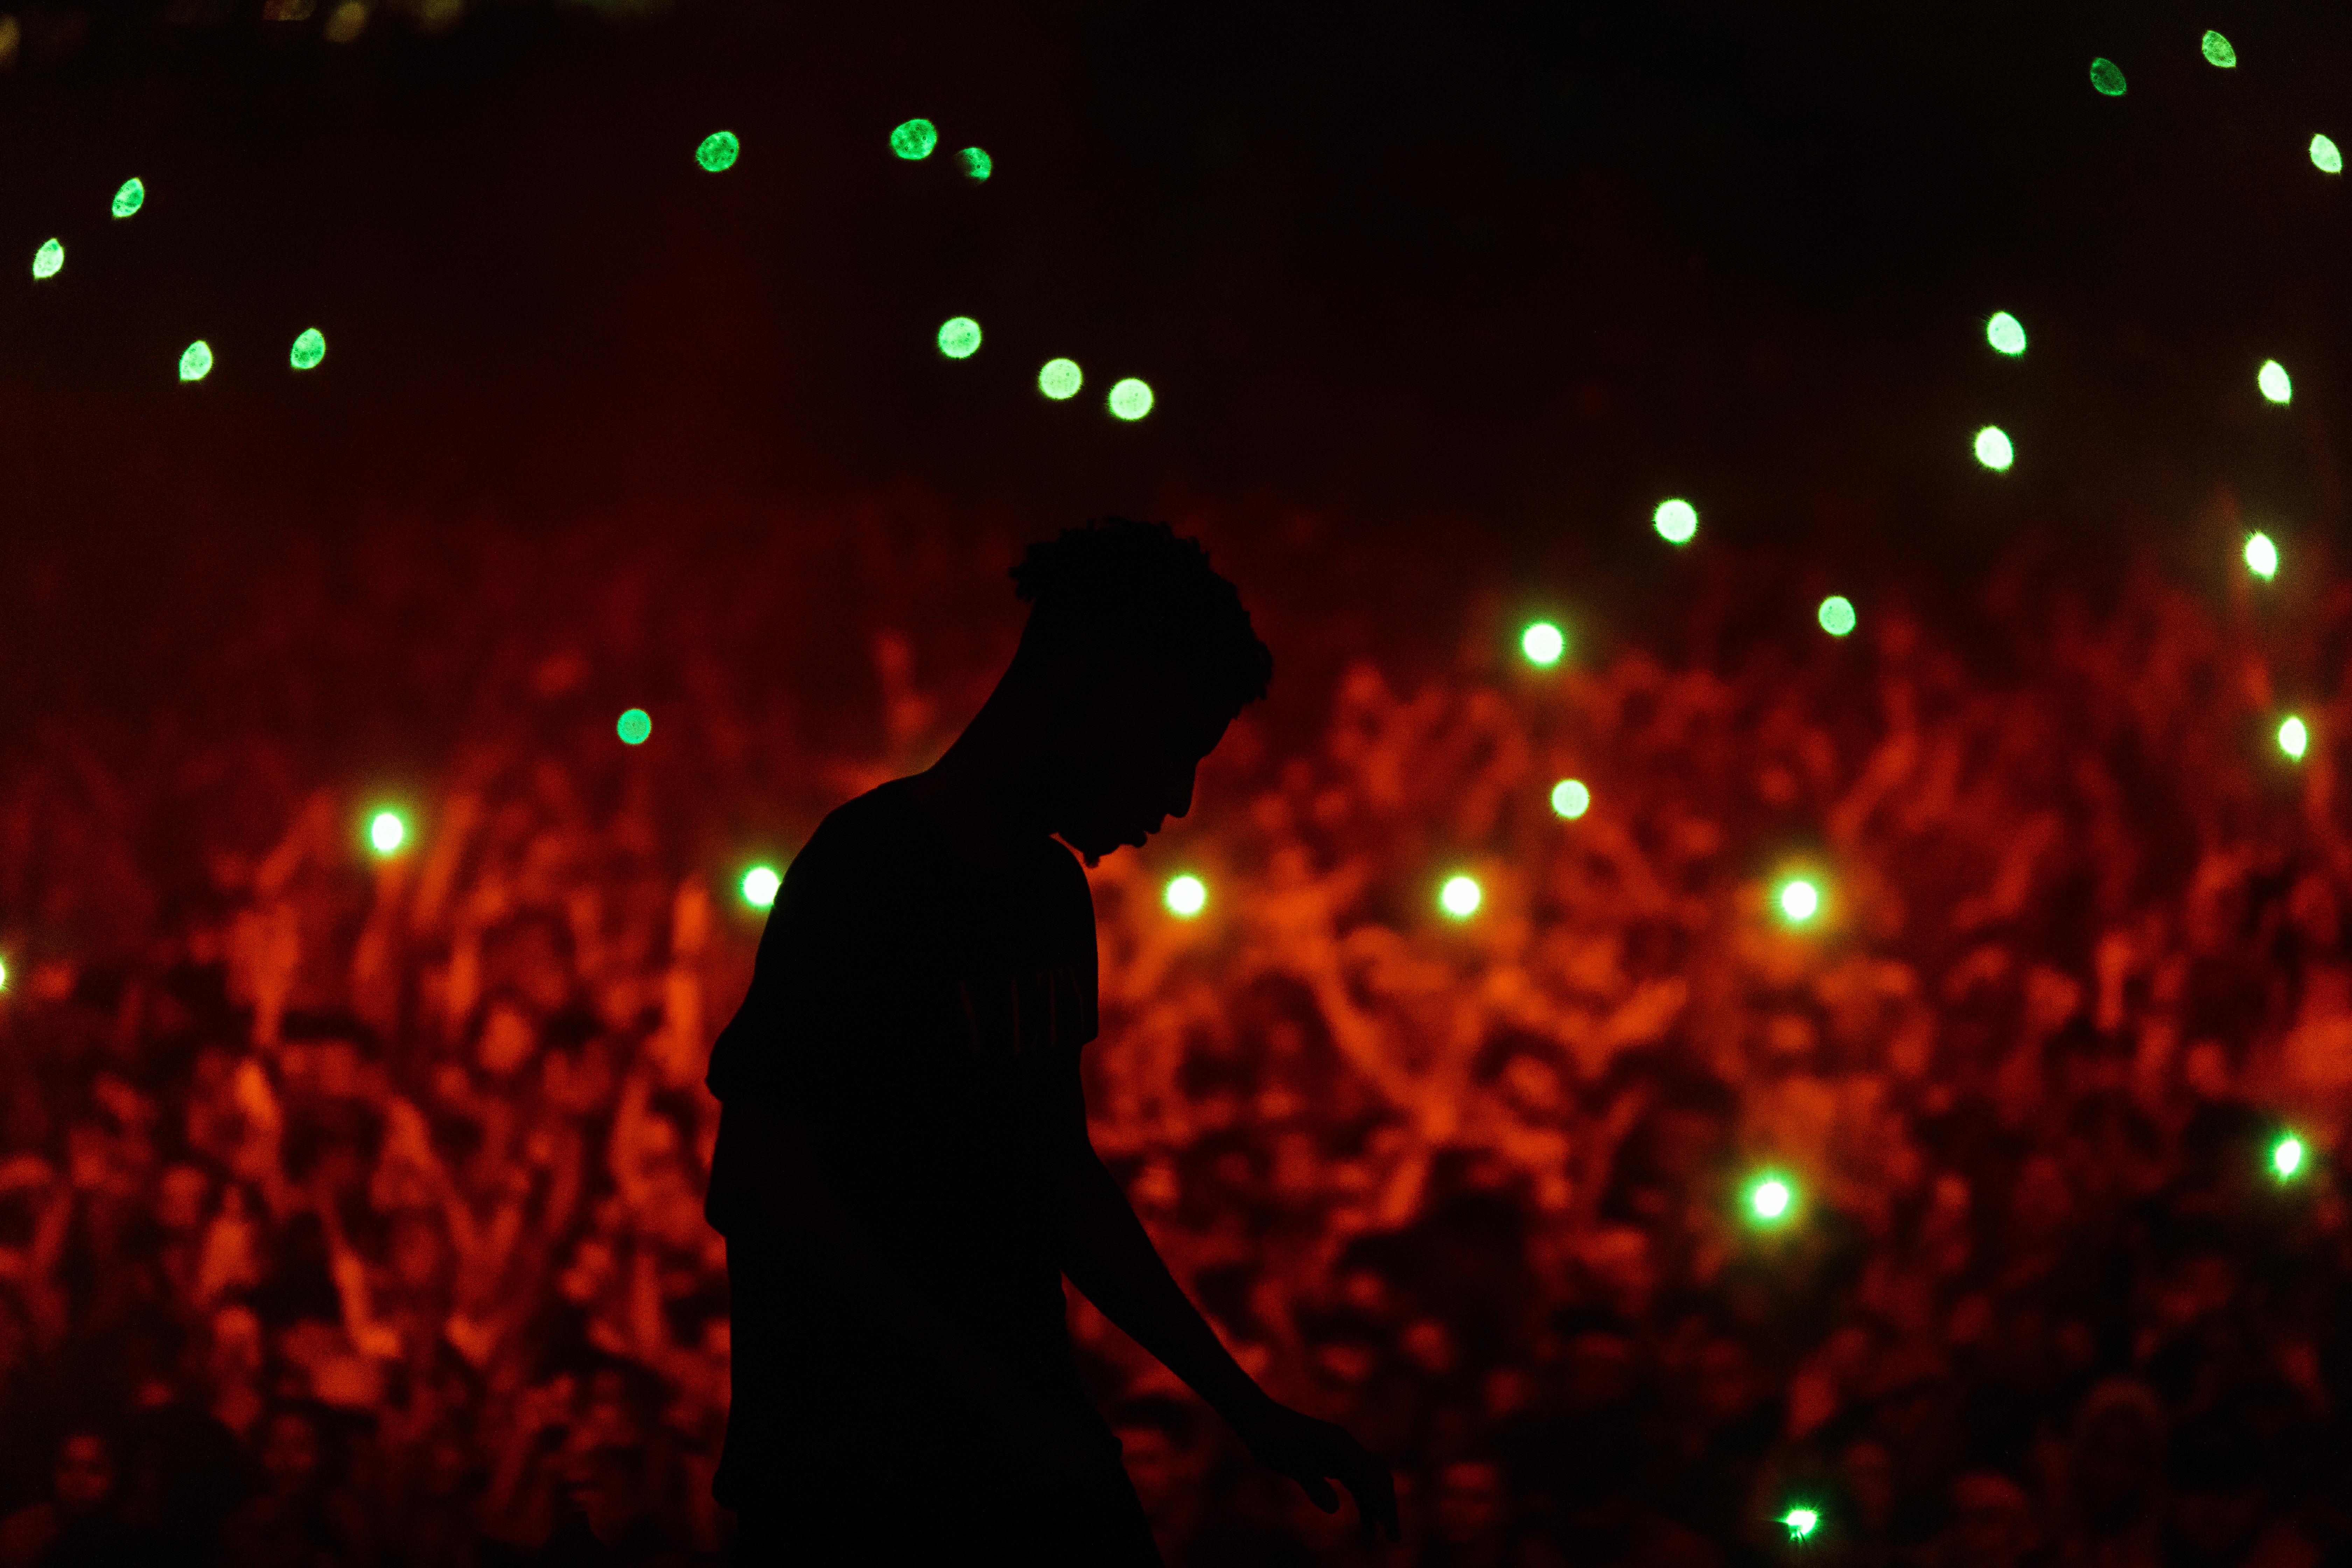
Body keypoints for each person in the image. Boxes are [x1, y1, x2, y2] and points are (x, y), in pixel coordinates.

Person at [702, 518, 1402, 1563]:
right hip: (855, 1482)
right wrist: (984, 1392)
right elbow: (761, 1186)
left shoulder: (1045, 895)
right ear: (1088, 691)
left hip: (1016, 1449)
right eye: (1176, 744)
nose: (1178, 798)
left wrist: (1244, 1407)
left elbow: (1058, 1177)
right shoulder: (871, 873)